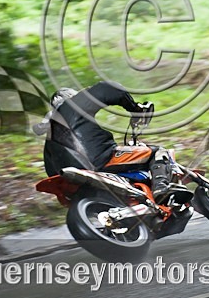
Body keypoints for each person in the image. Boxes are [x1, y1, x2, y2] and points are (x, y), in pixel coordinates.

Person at [36, 81, 192, 205]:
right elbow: (109, 89)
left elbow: (51, 171)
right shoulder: (75, 104)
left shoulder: (50, 137)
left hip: (74, 179)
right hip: (100, 158)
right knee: (158, 152)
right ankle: (161, 189)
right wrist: (135, 108)